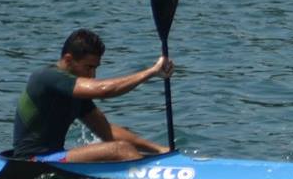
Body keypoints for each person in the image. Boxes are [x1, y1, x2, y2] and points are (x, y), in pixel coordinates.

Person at [10, 29, 172, 162]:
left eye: (95, 68)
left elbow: (107, 131)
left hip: (54, 157)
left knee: (121, 146)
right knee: (121, 150)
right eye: (88, 67)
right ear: (68, 60)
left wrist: (158, 149)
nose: (92, 75)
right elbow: (103, 89)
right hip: (31, 160)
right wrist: (152, 72)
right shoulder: (46, 77)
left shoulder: (76, 94)